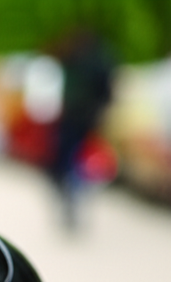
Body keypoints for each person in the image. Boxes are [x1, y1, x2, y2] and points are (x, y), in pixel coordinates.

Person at [48, 30, 115, 231]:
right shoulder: (77, 56)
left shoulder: (95, 59)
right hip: (78, 118)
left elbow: (106, 91)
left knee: (75, 165)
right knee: (69, 165)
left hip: (81, 118)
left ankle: (72, 201)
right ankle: (70, 201)